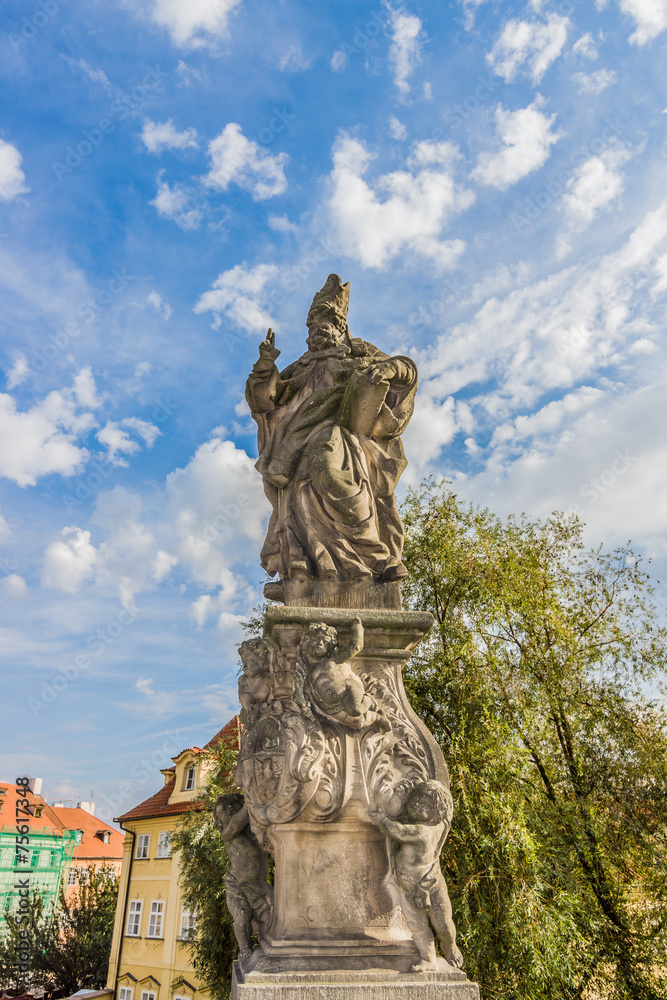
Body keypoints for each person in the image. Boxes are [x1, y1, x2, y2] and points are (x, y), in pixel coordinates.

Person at [246, 274, 417, 586]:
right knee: (300, 490)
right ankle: (310, 563)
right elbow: (266, 403)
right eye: (312, 327)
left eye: (324, 324)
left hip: (343, 438)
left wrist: (390, 368)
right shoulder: (300, 367)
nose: (316, 332)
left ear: (340, 327)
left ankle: (373, 555)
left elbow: (404, 369)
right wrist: (265, 367)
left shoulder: (359, 353)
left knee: (327, 465)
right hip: (293, 448)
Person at [369, 780, 463, 972]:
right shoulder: (430, 826)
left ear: (435, 812)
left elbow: (399, 832)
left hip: (431, 886)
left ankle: (450, 946)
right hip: (408, 889)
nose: (414, 802)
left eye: (423, 802)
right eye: (415, 797)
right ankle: (428, 959)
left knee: (444, 925)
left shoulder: (424, 832)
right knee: (417, 926)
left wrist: (381, 819)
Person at [213, 792, 272, 962]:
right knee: (241, 915)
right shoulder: (228, 833)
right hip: (236, 885)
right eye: (218, 816)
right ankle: (245, 948)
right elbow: (239, 820)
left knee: (270, 913)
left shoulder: (253, 833)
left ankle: (265, 939)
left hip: (257, 885)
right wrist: (250, 801)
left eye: (222, 813)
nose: (220, 819)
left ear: (233, 810)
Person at [299, 617, 387, 729]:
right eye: (315, 640)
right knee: (358, 723)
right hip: (330, 706)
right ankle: (376, 717)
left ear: (330, 646)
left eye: (325, 642)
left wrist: (358, 628)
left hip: (347, 691)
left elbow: (356, 646)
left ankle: (370, 702)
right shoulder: (305, 666)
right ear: (307, 641)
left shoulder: (332, 659)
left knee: (356, 710)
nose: (319, 644)